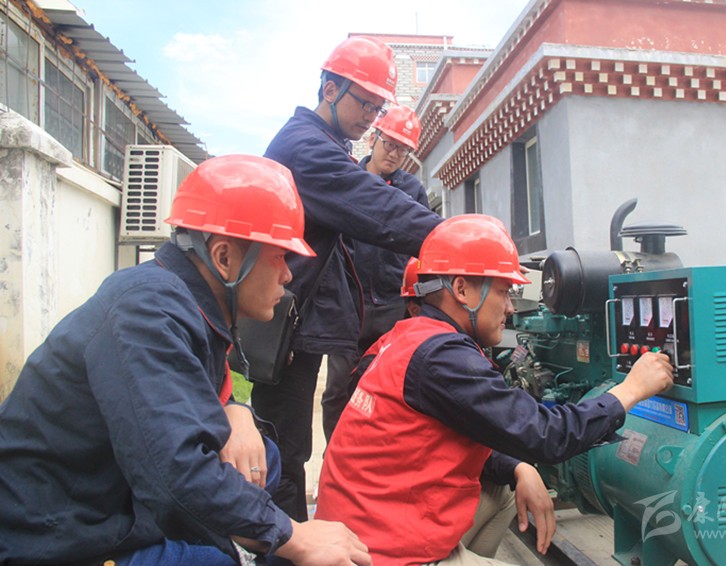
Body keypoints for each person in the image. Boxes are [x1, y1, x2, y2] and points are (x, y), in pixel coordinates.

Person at [0, 155, 371, 566]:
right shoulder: (147, 311)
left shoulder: (180, 300)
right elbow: (174, 472)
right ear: (225, 258)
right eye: (279, 257)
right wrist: (292, 535)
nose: (287, 275)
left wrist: (235, 408)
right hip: (57, 534)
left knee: (262, 458)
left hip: (106, 501)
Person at [315, 214, 674, 565]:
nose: (510, 307)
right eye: (502, 292)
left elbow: (447, 437)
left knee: (502, 491)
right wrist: (630, 390)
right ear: (461, 289)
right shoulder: (442, 357)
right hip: (381, 553)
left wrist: (519, 467)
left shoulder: (405, 338)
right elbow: (548, 435)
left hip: (359, 530)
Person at [257, 35, 442, 521]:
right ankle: (285, 544)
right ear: (330, 89)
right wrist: (457, 239)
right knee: (284, 445)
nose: (370, 116)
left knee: (289, 442)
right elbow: (374, 206)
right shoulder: (308, 148)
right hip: (282, 321)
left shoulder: (325, 144)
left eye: (378, 107)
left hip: (303, 318)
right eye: (365, 103)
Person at [322, 105, 430, 442]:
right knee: (338, 388)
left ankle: (372, 452)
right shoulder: (349, 180)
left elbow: (423, 248)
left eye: (403, 149)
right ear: (374, 138)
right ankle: (335, 453)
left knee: (384, 386)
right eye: (390, 144)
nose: (394, 154)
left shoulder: (412, 191)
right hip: (348, 306)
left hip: (391, 306)